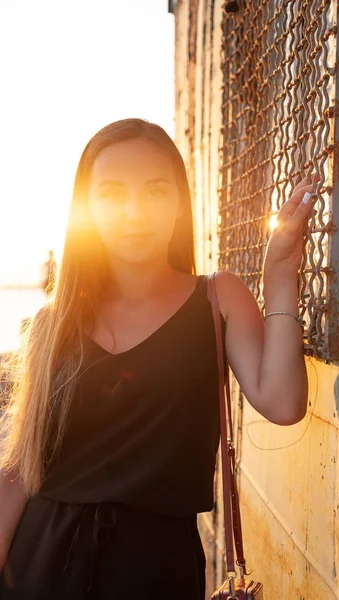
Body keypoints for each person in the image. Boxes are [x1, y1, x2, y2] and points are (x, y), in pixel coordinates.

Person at [0, 118, 315, 599]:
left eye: (154, 191)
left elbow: (283, 402)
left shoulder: (217, 299)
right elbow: (22, 469)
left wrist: (279, 275)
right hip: (40, 566)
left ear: (178, 201)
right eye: (110, 194)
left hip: (157, 570)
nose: (133, 212)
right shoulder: (53, 323)